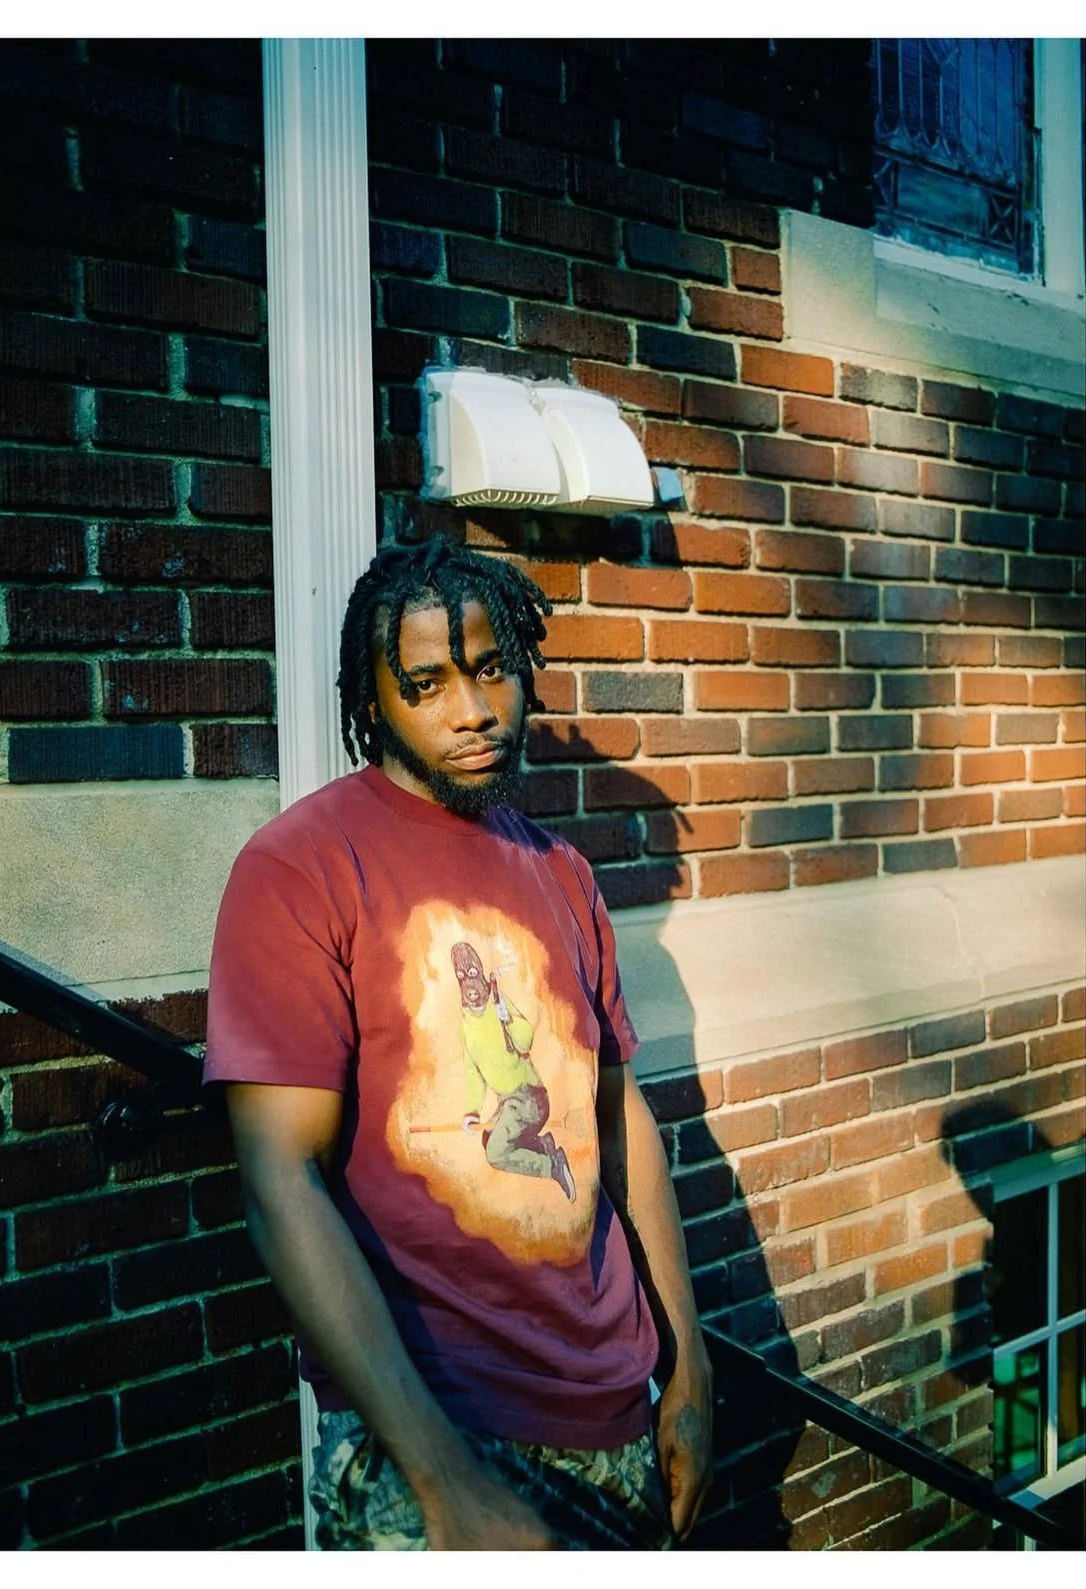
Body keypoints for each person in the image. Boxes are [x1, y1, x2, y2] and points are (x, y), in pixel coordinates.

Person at [204, 536, 714, 1550]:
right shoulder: (300, 867)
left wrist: (690, 1368)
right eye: (427, 682)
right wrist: (443, 1479)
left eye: (490, 668)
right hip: (429, 1427)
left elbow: (618, 1120)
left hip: (615, 1413)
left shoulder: (561, 872)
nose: (473, 708)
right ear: (373, 698)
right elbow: (278, 1181)